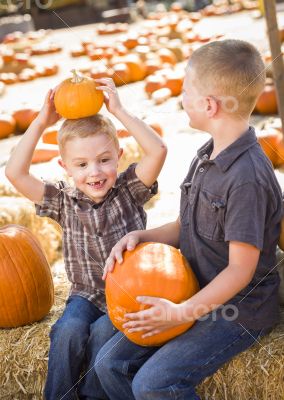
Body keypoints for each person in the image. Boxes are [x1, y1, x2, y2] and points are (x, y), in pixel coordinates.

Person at [94, 39, 283, 400]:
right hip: (193, 293)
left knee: (154, 384)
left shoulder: (247, 178)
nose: (180, 97)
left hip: (236, 312)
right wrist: (143, 235)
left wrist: (181, 313)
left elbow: (239, 271)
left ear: (209, 105)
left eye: (185, 90)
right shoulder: (206, 155)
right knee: (108, 363)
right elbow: (187, 225)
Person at [5, 77, 167, 400]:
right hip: (85, 295)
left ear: (119, 156)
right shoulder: (63, 200)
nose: (94, 172)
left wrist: (118, 111)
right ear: (65, 166)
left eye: (104, 160)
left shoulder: (128, 190)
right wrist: (40, 122)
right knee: (66, 331)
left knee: (101, 336)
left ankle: (92, 396)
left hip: (126, 295)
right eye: (81, 164)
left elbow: (158, 149)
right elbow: (15, 173)